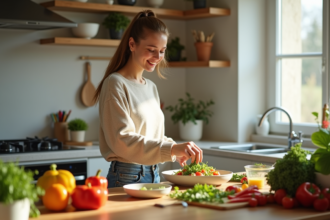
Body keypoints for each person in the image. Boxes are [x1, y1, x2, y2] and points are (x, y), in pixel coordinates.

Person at [94, 10, 203, 188]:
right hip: (126, 176)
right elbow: (122, 141)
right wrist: (172, 149)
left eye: (162, 51)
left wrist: (177, 147)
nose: (158, 57)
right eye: (152, 50)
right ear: (132, 44)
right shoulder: (115, 83)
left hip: (154, 174)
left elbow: (153, 135)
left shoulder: (151, 87)